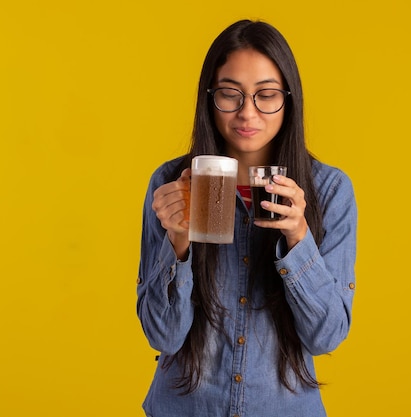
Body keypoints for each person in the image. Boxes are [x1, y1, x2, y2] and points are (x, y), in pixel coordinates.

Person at [137, 19, 357, 417]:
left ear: (288, 100)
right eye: (230, 94)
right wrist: (179, 245)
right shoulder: (171, 184)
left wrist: (298, 240)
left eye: (266, 95)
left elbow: (326, 337)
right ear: (209, 97)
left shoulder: (328, 191)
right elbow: (163, 335)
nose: (247, 113)